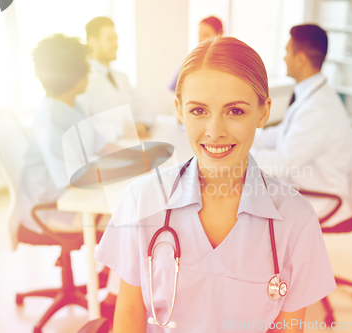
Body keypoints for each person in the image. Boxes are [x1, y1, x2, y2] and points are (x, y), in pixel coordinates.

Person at [95, 36, 336, 332]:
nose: (215, 131)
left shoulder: (297, 220)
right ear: (179, 111)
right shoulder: (142, 200)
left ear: (263, 112)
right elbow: (130, 310)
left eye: (235, 111)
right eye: (198, 111)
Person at [11, 34, 112, 248]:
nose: (89, 71)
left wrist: (141, 157)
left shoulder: (73, 106)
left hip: (70, 198)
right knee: (127, 222)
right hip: (51, 208)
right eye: (85, 66)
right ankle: (113, 280)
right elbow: (75, 177)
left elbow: (99, 143)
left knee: (130, 208)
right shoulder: (50, 120)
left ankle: (111, 275)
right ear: (73, 75)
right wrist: (126, 169)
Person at [251, 24, 352, 227]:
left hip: (318, 196)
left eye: (287, 51)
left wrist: (243, 152)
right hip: (301, 183)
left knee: (240, 196)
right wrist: (248, 139)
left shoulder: (319, 109)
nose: (284, 58)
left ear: (301, 59)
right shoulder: (313, 95)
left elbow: (279, 165)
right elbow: (282, 133)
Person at [77, 16, 154, 140]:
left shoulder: (122, 78)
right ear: (93, 43)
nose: (116, 45)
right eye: (110, 39)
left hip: (132, 144)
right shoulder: (82, 81)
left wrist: (143, 123)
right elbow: (81, 127)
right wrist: (120, 130)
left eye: (116, 39)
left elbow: (145, 106)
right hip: (106, 150)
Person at [168, 16, 223, 92]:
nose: (201, 39)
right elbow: (176, 89)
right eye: (199, 35)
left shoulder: (226, 63)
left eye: (206, 35)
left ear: (220, 34)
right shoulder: (189, 62)